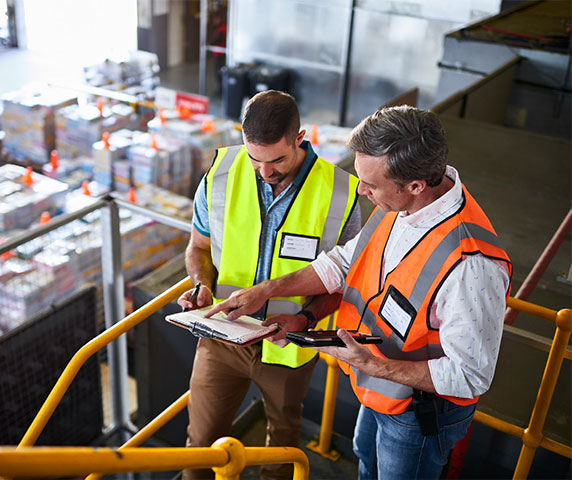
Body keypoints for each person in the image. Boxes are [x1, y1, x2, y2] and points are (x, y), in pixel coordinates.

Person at [207, 106, 512, 479]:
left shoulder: (471, 266)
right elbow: (342, 263)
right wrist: (267, 291)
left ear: (415, 185)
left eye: (370, 184)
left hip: (417, 413)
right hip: (380, 387)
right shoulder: (400, 203)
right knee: (365, 458)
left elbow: (470, 376)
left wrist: (371, 364)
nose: (361, 190)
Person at [177, 89, 361, 480]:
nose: (264, 171)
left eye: (276, 159)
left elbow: (346, 282)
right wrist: (201, 285)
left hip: (288, 348)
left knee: (281, 452)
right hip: (221, 337)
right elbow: (198, 246)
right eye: (254, 158)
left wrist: (308, 316)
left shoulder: (342, 193)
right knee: (201, 446)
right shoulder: (222, 173)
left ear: (300, 137)